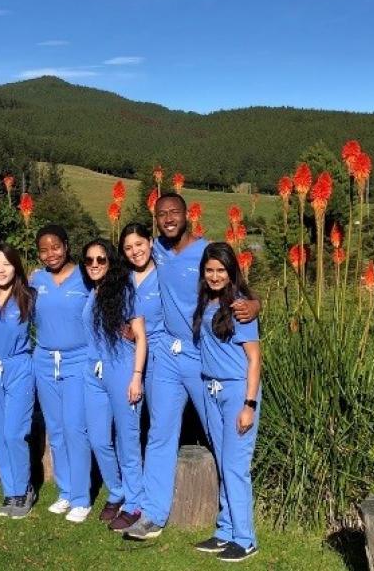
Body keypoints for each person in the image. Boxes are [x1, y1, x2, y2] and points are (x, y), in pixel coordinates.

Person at [125, 194, 259, 541]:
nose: (168, 218)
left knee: (220, 438)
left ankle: (230, 522)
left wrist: (257, 303)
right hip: (167, 356)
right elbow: (123, 261)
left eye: (174, 212)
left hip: (205, 355)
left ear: (187, 215)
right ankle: (152, 514)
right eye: (161, 214)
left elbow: (237, 284)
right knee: (160, 432)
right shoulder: (155, 249)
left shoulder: (205, 252)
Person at [192, 242, 262, 562]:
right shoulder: (206, 302)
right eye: (210, 270)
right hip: (212, 390)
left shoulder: (241, 307)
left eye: (221, 270)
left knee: (235, 466)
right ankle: (225, 531)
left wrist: (249, 404)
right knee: (223, 461)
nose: (215, 275)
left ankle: (245, 538)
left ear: (231, 271)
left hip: (237, 392)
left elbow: (254, 357)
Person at [81, 239, 147, 531]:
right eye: (90, 260)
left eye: (101, 260)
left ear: (111, 262)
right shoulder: (91, 292)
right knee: (98, 439)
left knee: (128, 441)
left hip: (122, 371)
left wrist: (136, 376)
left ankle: (134, 502)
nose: (95, 265)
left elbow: (140, 337)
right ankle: (117, 489)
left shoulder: (124, 291)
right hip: (94, 374)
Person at [30, 224, 94, 523]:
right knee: (55, 429)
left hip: (77, 360)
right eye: (44, 249)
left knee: (74, 427)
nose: (50, 253)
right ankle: (65, 491)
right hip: (44, 360)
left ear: (67, 246)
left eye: (55, 246)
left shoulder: (85, 276)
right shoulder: (36, 279)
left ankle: (82, 497)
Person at [0, 243, 37, 519]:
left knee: (15, 432)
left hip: (18, 368)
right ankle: (11, 491)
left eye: (7, 264)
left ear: (16, 267)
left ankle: (25, 488)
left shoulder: (29, 297)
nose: (1, 270)